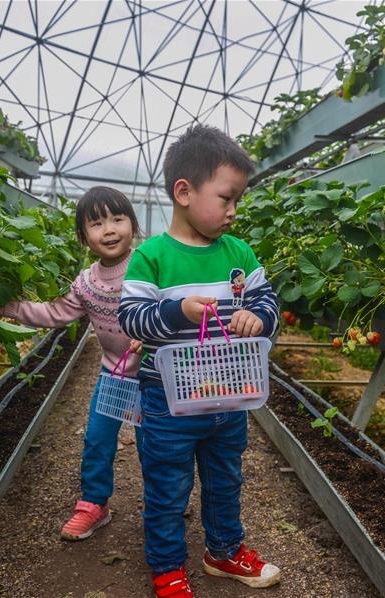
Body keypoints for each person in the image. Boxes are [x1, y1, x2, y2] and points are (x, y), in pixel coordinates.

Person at [118, 125, 282, 597]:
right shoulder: (151, 257)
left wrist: (258, 317)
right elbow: (133, 319)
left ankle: (223, 551)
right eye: (226, 198)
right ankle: (168, 566)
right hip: (168, 401)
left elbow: (267, 299)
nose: (234, 211)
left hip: (228, 396)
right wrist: (177, 310)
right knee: (167, 486)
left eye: (238, 200)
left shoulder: (240, 253)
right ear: (184, 192)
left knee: (226, 478)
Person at [0, 186, 142, 541]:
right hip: (114, 373)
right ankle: (93, 504)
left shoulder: (147, 265)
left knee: (156, 443)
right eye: (96, 223)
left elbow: (170, 305)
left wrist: (153, 332)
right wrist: (8, 307)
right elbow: (55, 313)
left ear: (132, 225)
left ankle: (166, 498)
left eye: (118, 219)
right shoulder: (87, 283)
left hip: (153, 374)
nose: (109, 229)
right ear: (83, 237)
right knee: (98, 438)